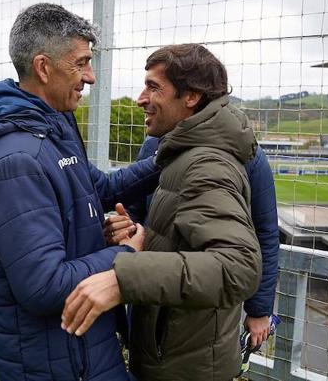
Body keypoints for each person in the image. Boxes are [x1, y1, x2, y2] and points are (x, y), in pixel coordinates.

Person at [0, 3, 159, 381]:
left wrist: (167, 157)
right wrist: (125, 253)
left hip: (86, 352)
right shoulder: (14, 162)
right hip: (57, 365)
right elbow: (44, 285)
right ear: (43, 67)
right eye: (81, 63)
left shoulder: (51, 130)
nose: (90, 77)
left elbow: (99, 190)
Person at [62, 44, 263, 380]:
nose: (141, 98)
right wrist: (142, 237)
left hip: (188, 368)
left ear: (191, 97)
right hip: (174, 357)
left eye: (154, 87)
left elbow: (237, 266)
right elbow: (186, 241)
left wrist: (123, 279)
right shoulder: (184, 155)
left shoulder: (206, 165)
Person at [125, 137, 279, 349]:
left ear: (191, 101)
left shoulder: (248, 153)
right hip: (147, 306)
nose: (144, 102)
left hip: (206, 318)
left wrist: (259, 310)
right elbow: (135, 211)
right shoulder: (153, 146)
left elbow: (265, 234)